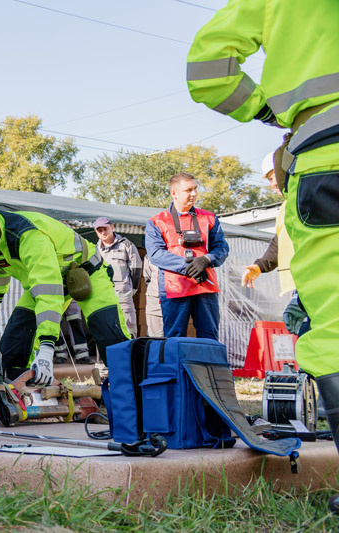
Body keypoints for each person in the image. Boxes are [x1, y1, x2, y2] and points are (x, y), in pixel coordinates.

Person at [187, 7, 339, 507]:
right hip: (190, 291)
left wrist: (273, 110)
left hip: (327, 153)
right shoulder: (164, 220)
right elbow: (272, 248)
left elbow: (208, 71)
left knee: (334, 329)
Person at [0, 194, 130, 385]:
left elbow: (48, 289)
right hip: (48, 281)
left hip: (87, 272)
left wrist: (47, 348)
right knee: (12, 347)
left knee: (110, 336)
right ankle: (27, 399)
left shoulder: (27, 235)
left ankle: (131, 397)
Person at [145, 173, 229, 340]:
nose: (194, 194)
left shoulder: (209, 217)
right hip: (174, 288)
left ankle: (209, 366)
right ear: (174, 193)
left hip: (205, 285)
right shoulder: (156, 221)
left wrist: (206, 260)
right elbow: (155, 254)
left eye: (195, 189)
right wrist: (189, 267)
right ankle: (175, 367)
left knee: (209, 336)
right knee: (174, 337)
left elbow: (222, 248)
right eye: (188, 190)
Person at [240, 152, 296, 295]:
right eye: (270, 180)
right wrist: (260, 266)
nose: (273, 184)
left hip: (316, 280)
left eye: (274, 177)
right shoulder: (285, 208)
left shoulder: (303, 201)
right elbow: (279, 244)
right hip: (297, 284)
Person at [94, 217, 141, 337]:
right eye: (100, 230)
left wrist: (132, 289)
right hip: (104, 296)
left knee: (129, 327)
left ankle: (131, 354)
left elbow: (136, 269)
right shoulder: (95, 249)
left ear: (112, 228)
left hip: (123, 294)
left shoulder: (126, 245)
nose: (103, 232)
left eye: (105, 229)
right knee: (108, 329)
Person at [142, 255, 164, 337]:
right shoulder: (150, 255)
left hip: (176, 301)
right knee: (155, 337)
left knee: (174, 337)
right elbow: (147, 278)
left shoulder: (178, 252)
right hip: (155, 301)